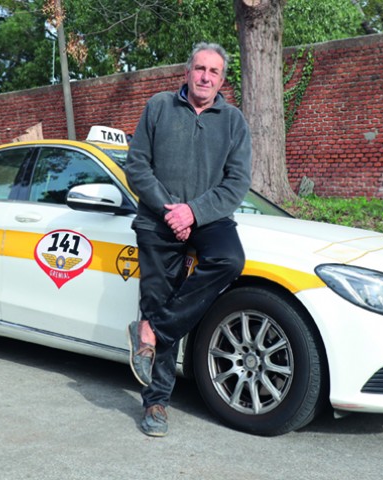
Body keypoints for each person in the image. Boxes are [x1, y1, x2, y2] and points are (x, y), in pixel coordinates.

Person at [124, 42, 252, 437]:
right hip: (157, 218)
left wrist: (193, 212)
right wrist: (169, 209)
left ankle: (152, 330)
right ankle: (157, 403)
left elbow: (237, 183)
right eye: (199, 68)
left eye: (213, 71)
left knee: (230, 260)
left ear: (222, 80)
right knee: (159, 295)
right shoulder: (159, 107)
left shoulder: (234, 121)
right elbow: (136, 166)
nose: (205, 77)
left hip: (208, 218)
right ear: (187, 72)